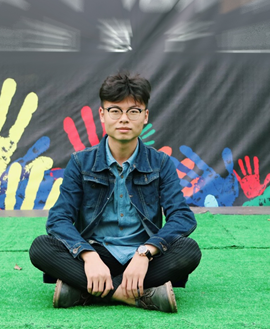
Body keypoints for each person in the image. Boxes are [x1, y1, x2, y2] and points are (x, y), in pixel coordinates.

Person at [29, 71, 201, 313]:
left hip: (144, 259)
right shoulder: (80, 162)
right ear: (102, 114)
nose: (124, 119)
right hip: (98, 255)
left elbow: (182, 217)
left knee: (189, 250)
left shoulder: (161, 163)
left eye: (134, 111)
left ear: (145, 116)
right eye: (115, 111)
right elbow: (58, 219)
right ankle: (133, 294)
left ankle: (85, 291)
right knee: (41, 247)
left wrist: (145, 253)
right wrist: (88, 255)